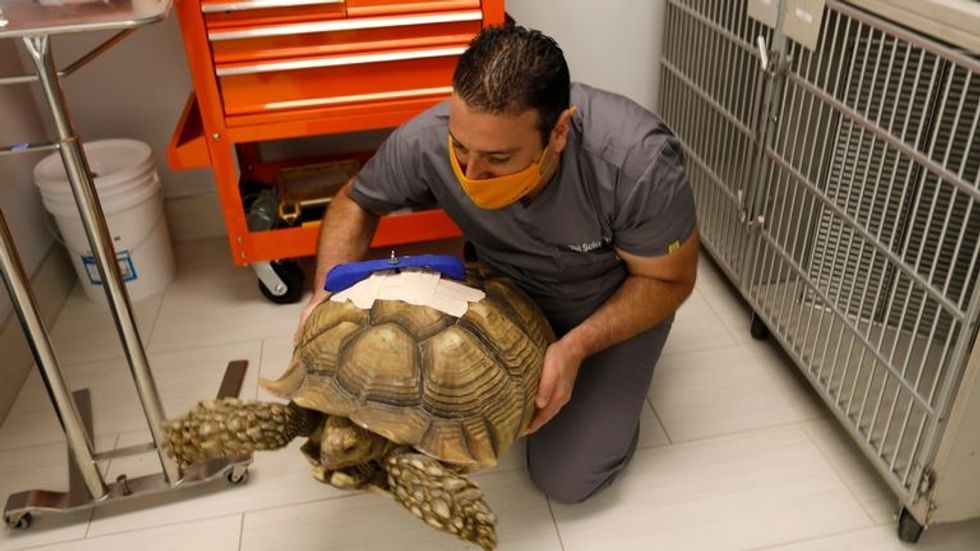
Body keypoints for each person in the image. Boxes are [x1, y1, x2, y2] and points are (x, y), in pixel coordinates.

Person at [296, 24, 699, 504]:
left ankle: (619, 395)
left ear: (559, 132)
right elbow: (356, 201)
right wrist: (323, 294)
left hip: (606, 308)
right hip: (502, 295)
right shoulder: (430, 137)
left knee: (567, 478)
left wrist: (576, 349)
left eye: (498, 157)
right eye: (461, 148)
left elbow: (668, 278)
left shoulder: (636, 163)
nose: (470, 173)